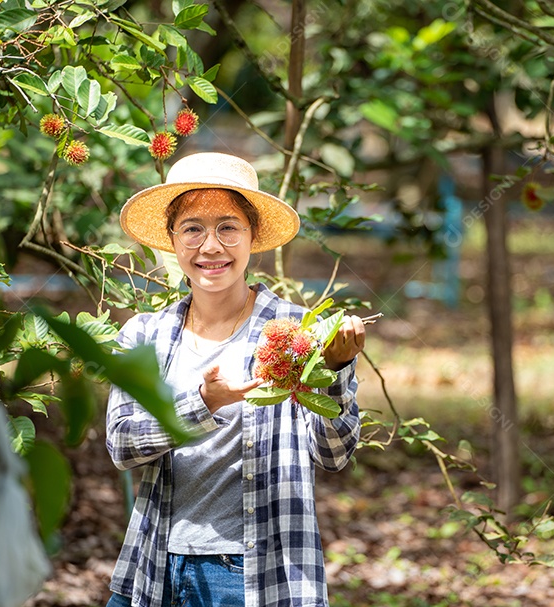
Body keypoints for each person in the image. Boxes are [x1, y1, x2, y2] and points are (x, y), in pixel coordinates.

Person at [106, 152, 365, 607]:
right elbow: (122, 445)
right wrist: (202, 403)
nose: (210, 247)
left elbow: (334, 455)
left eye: (228, 227)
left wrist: (335, 373)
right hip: (154, 568)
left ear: (252, 238)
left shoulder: (299, 333)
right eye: (192, 229)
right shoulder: (143, 334)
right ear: (171, 239)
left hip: (256, 572)